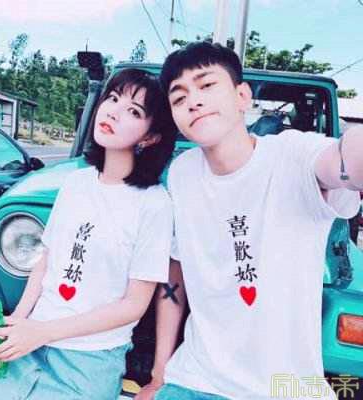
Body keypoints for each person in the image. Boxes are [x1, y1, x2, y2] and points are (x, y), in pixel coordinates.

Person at [135, 42, 362, 400]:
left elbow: (343, 163)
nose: (193, 101)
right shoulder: (181, 173)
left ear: (242, 96)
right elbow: (175, 272)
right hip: (193, 379)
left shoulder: (293, 155)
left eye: (207, 85)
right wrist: (159, 373)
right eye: (179, 97)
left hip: (283, 389)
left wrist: (353, 148)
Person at [0, 68, 177, 400]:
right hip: (30, 340)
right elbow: (45, 261)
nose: (113, 112)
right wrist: (13, 323)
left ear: (150, 137)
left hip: (89, 360)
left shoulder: (154, 203)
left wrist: (42, 332)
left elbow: (134, 305)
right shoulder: (75, 183)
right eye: (112, 99)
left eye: (134, 112)